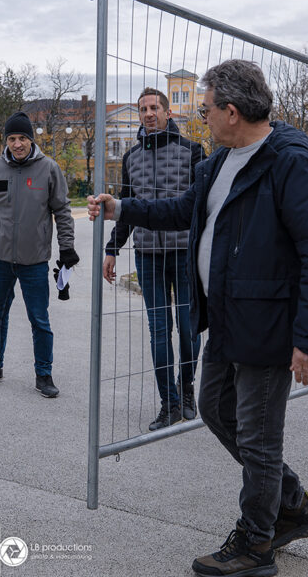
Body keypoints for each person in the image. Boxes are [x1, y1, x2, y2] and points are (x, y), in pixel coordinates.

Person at [88, 59, 308, 577]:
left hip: (268, 324)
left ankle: (256, 544)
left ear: (231, 111)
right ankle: (293, 504)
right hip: (224, 319)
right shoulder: (217, 164)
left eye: (205, 111)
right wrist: (122, 209)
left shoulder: (287, 163)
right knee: (214, 408)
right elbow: (185, 209)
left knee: (259, 435)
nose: (200, 119)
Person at [102, 87, 204, 430]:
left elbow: (202, 207)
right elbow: (126, 207)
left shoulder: (192, 151)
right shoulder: (131, 158)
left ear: (167, 112)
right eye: (143, 108)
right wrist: (112, 249)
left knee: (190, 329)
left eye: (154, 107)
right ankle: (169, 404)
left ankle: (187, 387)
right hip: (148, 255)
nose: (148, 113)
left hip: (185, 253)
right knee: (159, 330)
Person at [0, 112, 79, 398]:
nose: (17, 144)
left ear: (31, 139)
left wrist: (67, 248)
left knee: (39, 319)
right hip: (0, 258)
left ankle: (44, 373)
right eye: (12, 138)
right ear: (7, 141)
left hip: (34, 260)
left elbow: (62, 210)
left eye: (22, 138)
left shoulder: (49, 169)